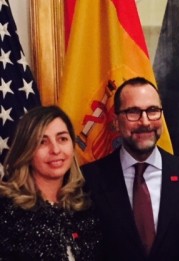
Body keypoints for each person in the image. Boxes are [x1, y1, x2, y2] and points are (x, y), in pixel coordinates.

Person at [82, 76, 179, 261]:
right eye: (133, 112)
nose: (145, 122)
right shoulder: (90, 179)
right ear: (116, 121)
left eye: (153, 110)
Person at [0, 105, 103, 260]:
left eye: (62, 139)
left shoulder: (86, 203)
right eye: (42, 142)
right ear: (26, 150)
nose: (55, 150)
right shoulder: (6, 209)